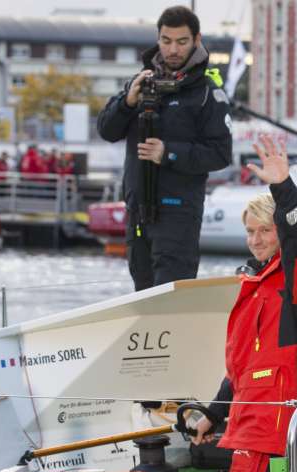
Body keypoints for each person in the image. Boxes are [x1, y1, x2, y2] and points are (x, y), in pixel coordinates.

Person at [191, 135, 297, 472]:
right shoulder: (254, 282)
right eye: (250, 231)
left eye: (265, 230)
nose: (256, 239)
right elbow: (241, 365)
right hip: (249, 416)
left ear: (279, 232)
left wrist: (283, 187)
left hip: (276, 418)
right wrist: (212, 413)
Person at [97, 5, 233, 291]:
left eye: (182, 42)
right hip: (138, 211)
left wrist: (168, 153)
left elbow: (220, 153)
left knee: (171, 298)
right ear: (158, 39)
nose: (173, 49)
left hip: (178, 213)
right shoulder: (140, 83)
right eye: (166, 41)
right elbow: (107, 131)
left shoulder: (207, 93)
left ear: (197, 40)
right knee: (143, 295)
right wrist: (127, 103)